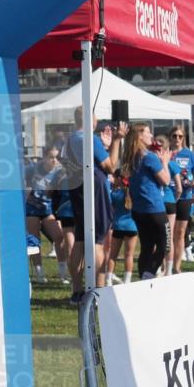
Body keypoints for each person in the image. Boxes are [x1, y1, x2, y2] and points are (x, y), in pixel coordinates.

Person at [62, 107, 123, 303]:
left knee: (80, 239)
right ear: (91, 121)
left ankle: (77, 290)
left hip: (78, 189)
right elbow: (110, 166)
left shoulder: (70, 139)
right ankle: (98, 290)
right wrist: (116, 140)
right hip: (93, 191)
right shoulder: (90, 139)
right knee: (97, 239)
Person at [123, 123, 171, 280]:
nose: (151, 136)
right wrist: (164, 161)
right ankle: (147, 277)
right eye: (148, 133)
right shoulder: (149, 157)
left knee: (147, 246)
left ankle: (144, 278)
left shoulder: (132, 156)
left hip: (139, 210)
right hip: (154, 208)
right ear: (139, 136)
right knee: (165, 245)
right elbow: (165, 180)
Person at [24, 146, 68, 283]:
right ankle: (39, 273)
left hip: (48, 210)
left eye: (56, 157)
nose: (54, 160)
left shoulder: (60, 171)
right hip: (32, 209)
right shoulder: (33, 169)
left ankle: (63, 273)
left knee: (59, 237)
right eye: (51, 157)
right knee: (34, 241)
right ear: (44, 158)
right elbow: (22, 182)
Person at [168, 126, 194, 273]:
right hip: (168, 195)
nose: (177, 139)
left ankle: (176, 266)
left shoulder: (190, 154)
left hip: (185, 196)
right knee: (168, 232)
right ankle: (166, 265)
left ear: (184, 138)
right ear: (170, 137)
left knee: (180, 233)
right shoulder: (165, 153)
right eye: (174, 136)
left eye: (180, 136)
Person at [155, 134, 183, 275]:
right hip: (170, 201)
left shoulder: (153, 163)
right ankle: (169, 269)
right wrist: (174, 198)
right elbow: (179, 187)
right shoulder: (172, 164)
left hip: (157, 202)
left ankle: (159, 267)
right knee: (169, 236)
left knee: (157, 236)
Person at [107, 169, 138, 284]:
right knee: (129, 255)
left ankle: (108, 280)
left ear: (119, 179)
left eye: (114, 178)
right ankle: (127, 280)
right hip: (132, 227)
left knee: (112, 255)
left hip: (118, 226)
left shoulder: (115, 193)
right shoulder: (134, 192)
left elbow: (109, 206)